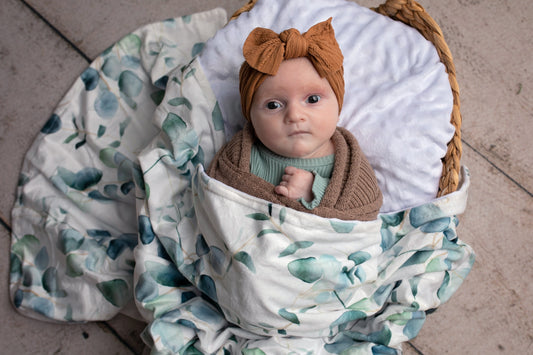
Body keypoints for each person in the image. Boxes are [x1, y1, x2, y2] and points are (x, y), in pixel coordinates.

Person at [208, 18, 382, 221]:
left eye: (312, 99)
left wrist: (314, 189)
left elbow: (365, 208)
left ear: (338, 104)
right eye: (273, 105)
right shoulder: (239, 159)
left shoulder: (348, 161)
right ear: (250, 115)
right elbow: (217, 202)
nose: (294, 115)